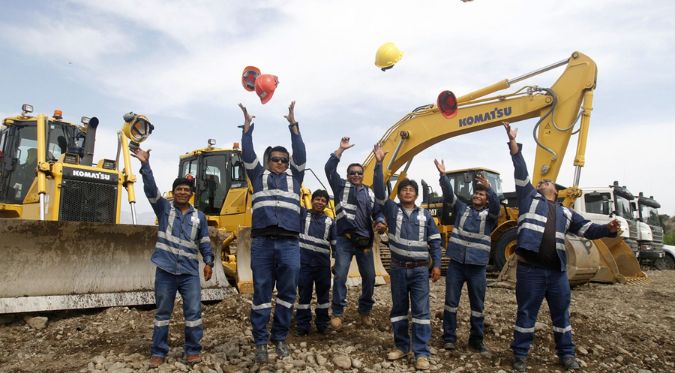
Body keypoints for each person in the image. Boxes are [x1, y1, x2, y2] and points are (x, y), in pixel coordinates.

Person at [504, 122, 620, 372]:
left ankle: (566, 355)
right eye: (541, 182)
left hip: (556, 273)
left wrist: (609, 230)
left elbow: (589, 230)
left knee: (561, 317)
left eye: (546, 182)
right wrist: (513, 142)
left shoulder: (566, 213)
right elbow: (520, 168)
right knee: (526, 315)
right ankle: (520, 356)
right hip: (530, 271)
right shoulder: (528, 198)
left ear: (554, 191)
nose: (542, 182)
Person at [131, 147, 214, 368]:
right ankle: (158, 352)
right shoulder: (164, 209)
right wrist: (145, 165)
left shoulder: (200, 217)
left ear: (191, 193)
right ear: (173, 192)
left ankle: (193, 351)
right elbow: (150, 188)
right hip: (166, 271)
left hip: (188, 273)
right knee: (162, 313)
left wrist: (209, 262)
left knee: (194, 313)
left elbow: (204, 241)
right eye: (179, 189)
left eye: (186, 189)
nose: (182, 192)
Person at [239, 101, 306, 364]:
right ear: (268, 162)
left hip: (290, 243)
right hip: (263, 244)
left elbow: (300, 154)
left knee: (288, 294)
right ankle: (260, 341)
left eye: (283, 160)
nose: (279, 162)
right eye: (275, 159)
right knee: (262, 293)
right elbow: (247, 154)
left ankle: (279, 337)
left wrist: (293, 125)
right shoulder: (258, 176)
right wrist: (247, 129)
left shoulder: (296, 178)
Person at [373, 144, 442, 371]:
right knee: (399, 310)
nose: (407, 192)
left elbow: (435, 241)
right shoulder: (392, 211)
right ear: (400, 193)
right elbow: (379, 191)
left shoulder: (425, 215)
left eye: (411, 190)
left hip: (421, 270)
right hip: (399, 268)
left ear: (416, 194)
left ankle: (421, 352)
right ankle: (402, 346)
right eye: (404, 190)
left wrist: (437, 266)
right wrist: (380, 164)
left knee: (421, 312)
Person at [435, 159, 500, 355]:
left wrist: (491, 190)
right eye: (476, 193)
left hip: (477, 267)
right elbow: (449, 195)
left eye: (481, 194)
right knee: (451, 303)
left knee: (478, 306)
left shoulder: (491, 215)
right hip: (457, 264)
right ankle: (449, 338)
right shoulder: (462, 209)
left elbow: (496, 206)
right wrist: (443, 176)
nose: (477, 195)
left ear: (487, 199)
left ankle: (476, 341)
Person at [325, 137, 385, 330]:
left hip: (365, 242)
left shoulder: (369, 193)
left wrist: (381, 221)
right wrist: (340, 151)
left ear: (362, 174)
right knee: (341, 275)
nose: (356, 175)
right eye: (352, 173)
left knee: (369, 278)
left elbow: (377, 211)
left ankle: (365, 311)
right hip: (344, 239)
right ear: (348, 174)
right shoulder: (340, 186)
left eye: (359, 173)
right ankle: (337, 312)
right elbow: (329, 169)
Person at [294, 189, 336, 336]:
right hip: (304, 264)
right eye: (317, 199)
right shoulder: (303, 215)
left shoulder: (330, 222)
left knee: (323, 297)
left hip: (322, 266)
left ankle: (322, 324)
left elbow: (335, 244)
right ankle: (302, 325)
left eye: (323, 200)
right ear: (311, 201)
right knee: (304, 296)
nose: (320, 202)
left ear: (326, 204)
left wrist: (337, 263)